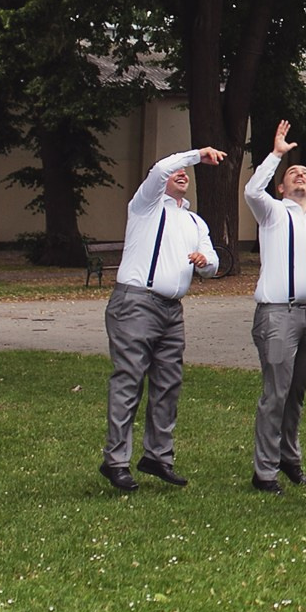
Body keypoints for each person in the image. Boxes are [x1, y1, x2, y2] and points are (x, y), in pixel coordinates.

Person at [100, 146, 226, 492]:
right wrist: (197, 155)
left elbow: (214, 263)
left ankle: (157, 455)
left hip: (173, 310)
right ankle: (116, 460)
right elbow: (161, 167)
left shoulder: (195, 221)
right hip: (136, 302)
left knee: (168, 382)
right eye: (177, 172)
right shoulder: (146, 206)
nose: (182, 174)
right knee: (129, 380)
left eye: (186, 173)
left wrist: (206, 262)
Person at [242, 121, 306, 494]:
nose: (301, 175)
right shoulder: (272, 212)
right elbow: (252, 189)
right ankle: (264, 470)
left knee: (296, 393)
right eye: (293, 174)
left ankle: (289, 457)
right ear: (282, 187)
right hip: (276, 313)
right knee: (276, 392)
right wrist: (277, 154)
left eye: (305, 172)